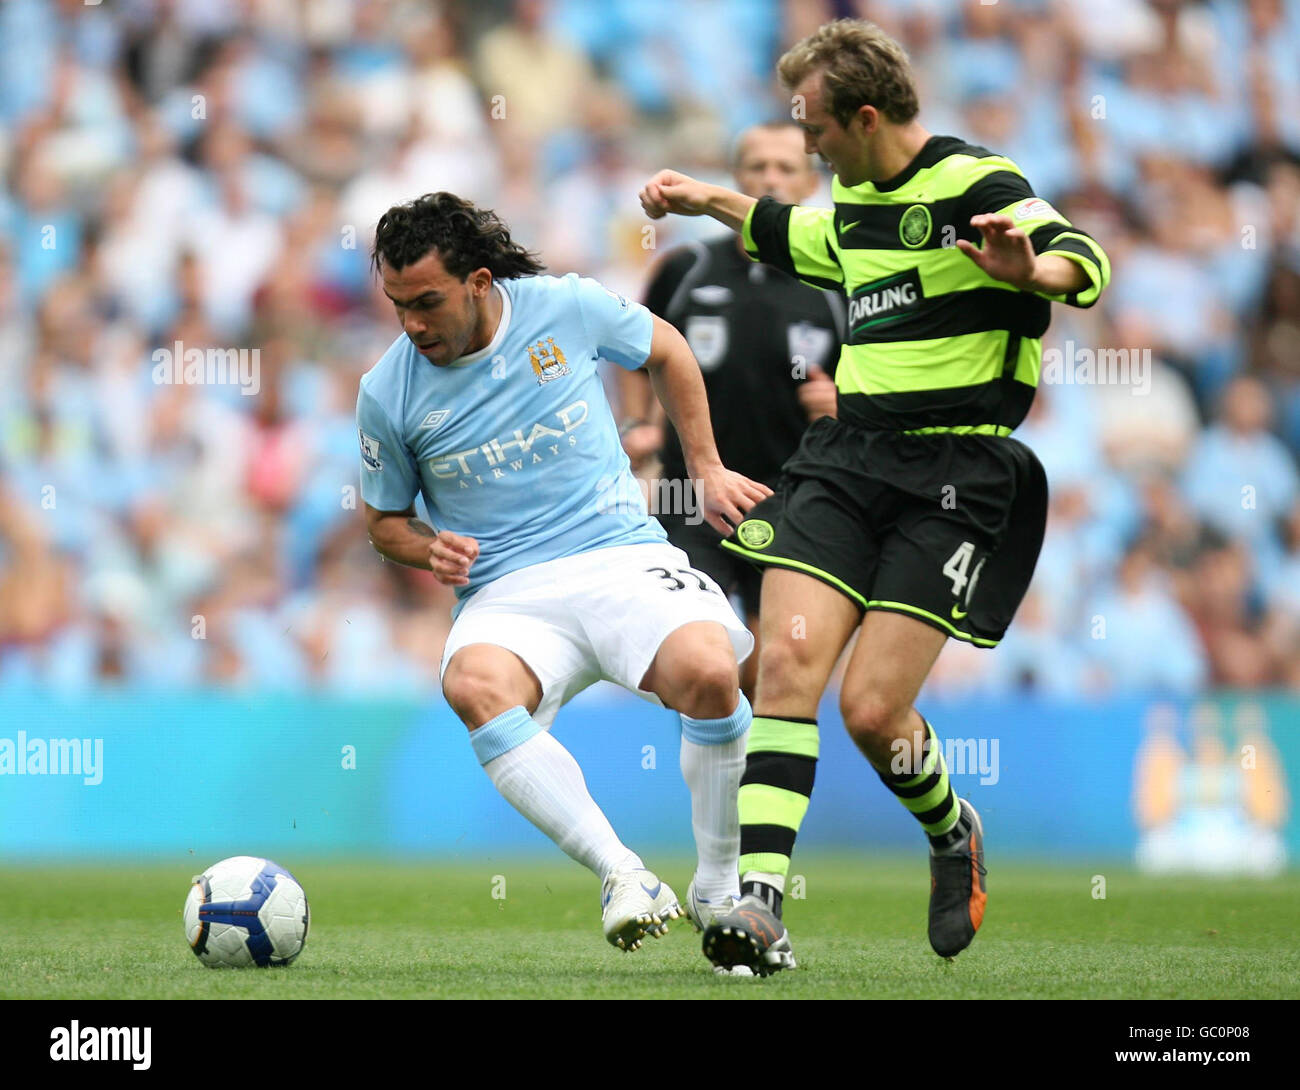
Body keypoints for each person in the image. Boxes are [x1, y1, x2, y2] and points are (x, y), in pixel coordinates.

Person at [639, 19, 1110, 974]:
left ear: (861, 117)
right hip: (848, 461)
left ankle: (951, 829)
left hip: (956, 479)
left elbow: (1085, 263)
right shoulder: (850, 208)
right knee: (784, 667)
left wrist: (1032, 270)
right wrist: (703, 198)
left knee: (872, 713)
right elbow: (789, 229)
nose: (804, 146)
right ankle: (759, 905)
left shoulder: (977, 183)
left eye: (811, 127)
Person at [356, 192, 771, 969]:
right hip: (509, 593)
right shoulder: (388, 392)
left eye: (426, 302)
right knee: (473, 686)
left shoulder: (566, 308)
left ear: (479, 282)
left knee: (714, 674)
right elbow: (385, 524)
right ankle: (624, 876)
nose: (411, 323)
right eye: (396, 305)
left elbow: (669, 350)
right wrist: (427, 550)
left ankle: (717, 888)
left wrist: (707, 468)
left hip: (619, 555)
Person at [618, 120, 843, 700]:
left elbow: (878, 376)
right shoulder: (686, 266)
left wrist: (845, 404)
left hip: (793, 495)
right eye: (758, 166)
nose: (770, 178)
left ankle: (758, 775)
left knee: (778, 661)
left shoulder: (839, 281)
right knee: (700, 658)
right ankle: (723, 774)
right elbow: (636, 351)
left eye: (786, 167)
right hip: (691, 494)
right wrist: (639, 423)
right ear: (736, 175)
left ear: (812, 182)